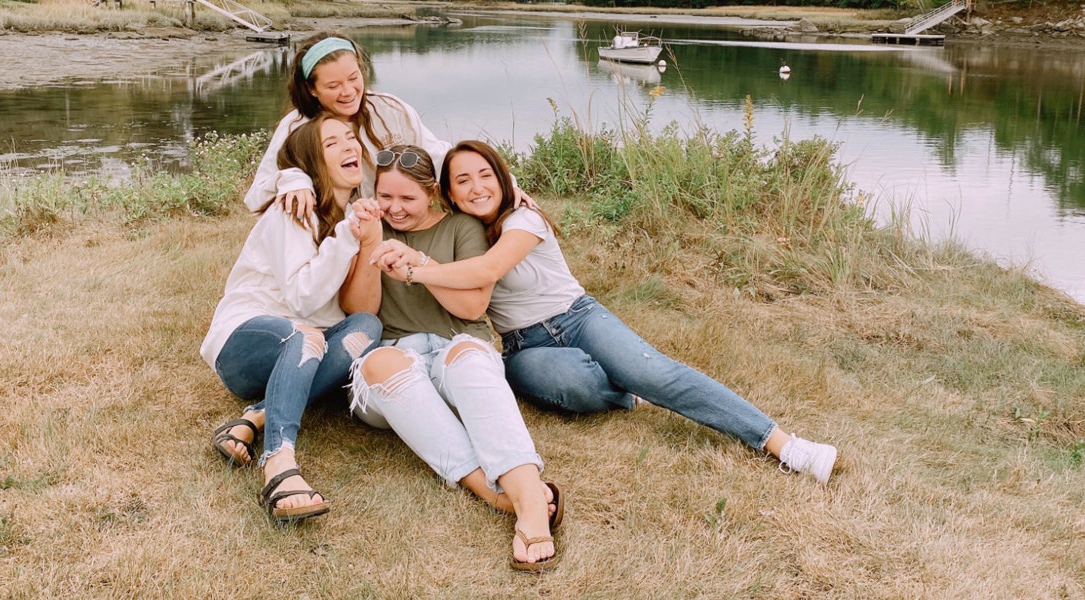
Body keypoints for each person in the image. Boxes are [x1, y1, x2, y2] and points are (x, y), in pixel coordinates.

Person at [372, 140, 839, 484]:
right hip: (522, 344)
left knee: (656, 374)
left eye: (485, 175)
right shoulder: (462, 232)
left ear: (501, 177)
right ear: (448, 194)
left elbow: (491, 268)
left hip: (576, 316)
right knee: (564, 385)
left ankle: (783, 444)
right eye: (463, 181)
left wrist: (417, 269)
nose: (476, 188)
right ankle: (623, 393)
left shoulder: (523, 219)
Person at [341, 144, 561, 572]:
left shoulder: (461, 227)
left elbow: (474, 309)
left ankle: (529, 500)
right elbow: (361, 313)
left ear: (433, 194)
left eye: (408, 199)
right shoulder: (372, 227)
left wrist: (416, 264)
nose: (395, 208)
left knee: (470, 360)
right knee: (382, 365)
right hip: (394, 360)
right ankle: (494, 493)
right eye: (386, 196)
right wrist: (372, 243)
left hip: (453, 345)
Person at [200, 114, 384, 525]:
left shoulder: (351, 215)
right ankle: (279, 465)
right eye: (332, 143)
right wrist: (346, 238)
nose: (349, 146)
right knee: (305, 334)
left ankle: (257, 416)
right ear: (312, 163)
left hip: (301, 353)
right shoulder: (293, 210)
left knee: (367, 328)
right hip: (245, 343)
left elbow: (356, 309)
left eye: (350, 138)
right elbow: (303, 299)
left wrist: (362, 235)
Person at [244, 31, 533, 218]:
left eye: (353, 78)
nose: (348, 92)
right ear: (312, 89)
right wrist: (294, 179)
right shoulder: (295, 127)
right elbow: (256, 197)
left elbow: (440, 155)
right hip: (331, 236)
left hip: (395, 223)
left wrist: (505, 184)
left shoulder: (390, 108)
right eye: (333, 85)